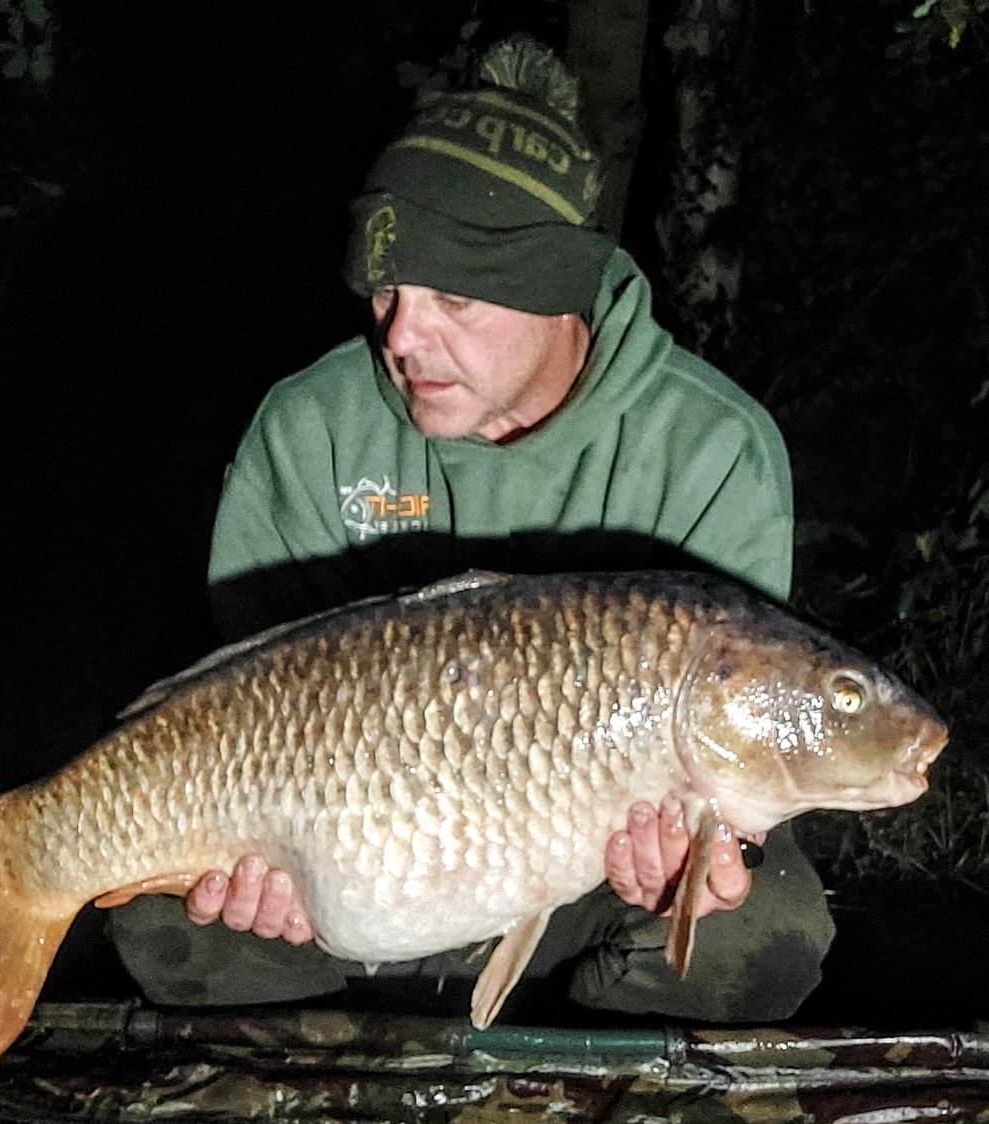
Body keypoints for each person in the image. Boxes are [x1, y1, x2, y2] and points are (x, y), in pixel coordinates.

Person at [106, 36, 835, 1023]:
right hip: (352, 864)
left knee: (762, 928)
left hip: (585, 877)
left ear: (555, 289)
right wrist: (259, 859)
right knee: (167, 924)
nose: (403, 337)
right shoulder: (310, 425)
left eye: (452, 296)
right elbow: (243, 698)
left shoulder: (711, 447)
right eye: (388, 292)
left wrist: (711, 856)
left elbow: (740, 744)